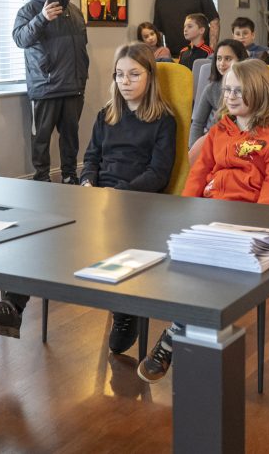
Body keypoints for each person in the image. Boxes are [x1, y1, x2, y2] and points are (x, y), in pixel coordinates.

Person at [140, 59, 269, 384]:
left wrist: (255, 228)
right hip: (210, 217)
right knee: (181, 269)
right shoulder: (220, 130)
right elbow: (199, 174)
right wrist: (186, 213)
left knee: (209, 279)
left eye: (239, 90)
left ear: (260, 91)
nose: (231, 96)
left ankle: (176, 336)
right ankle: (188, 341)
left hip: (246, 224)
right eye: (228, 90)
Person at [80, 43, 177, 354]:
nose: (125, 81)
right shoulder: (105, 115)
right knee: (49, 231)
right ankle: (14, 305)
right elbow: (91, 158)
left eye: (134, 74)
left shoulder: (163, 120)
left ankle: (124, 312)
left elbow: (158, 174)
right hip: (99, 196)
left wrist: (119, 195)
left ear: (150, 76)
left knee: (115, 234)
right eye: (119, 74)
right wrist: (87, 182)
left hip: (137, 199)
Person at [13, 0, 89, 184]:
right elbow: (20, 39)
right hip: (45, 88)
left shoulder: (74, 11)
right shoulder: (28, 11)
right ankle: (42, 180)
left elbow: (81, 47)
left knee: (71, 139)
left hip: (73, 87)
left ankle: (69, 177)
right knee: (41, 140)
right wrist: (42, 19)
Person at [188, 38, 247, 157]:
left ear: (241, 61)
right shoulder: (211, 88)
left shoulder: (249, 87)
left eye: (228, 59)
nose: (221, 63)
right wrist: (194, 150)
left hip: (239, 144)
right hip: (213, 143)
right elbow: (198, 123)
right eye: (219, 58)